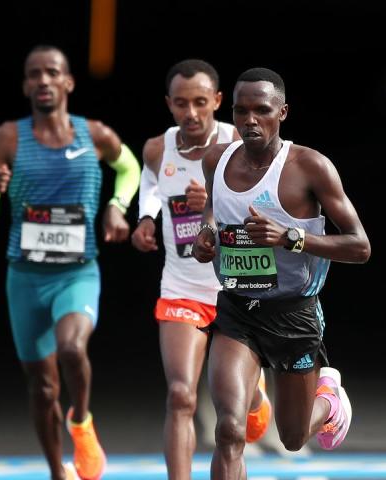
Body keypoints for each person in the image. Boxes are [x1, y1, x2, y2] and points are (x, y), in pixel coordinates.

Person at [0, 45, 141, 480]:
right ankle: (56, 470)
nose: (43, 80)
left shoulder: (96, 135)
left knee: (71, 348)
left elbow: (130, 168)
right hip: (25, 278)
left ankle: (81, 421)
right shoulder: (7, 138)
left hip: (76, 272)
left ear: (68, 82)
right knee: (43, 387)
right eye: (34, 74)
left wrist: (118, 206)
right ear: (26, 85)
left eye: (52, 72)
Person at [193, 68, 371, 479]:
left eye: (262, 110)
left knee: (292, 437)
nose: (250, 120)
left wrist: (290, 238)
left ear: (283, 112)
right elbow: (212, 210)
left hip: (293, 313)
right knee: (229, 430)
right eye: (241, 111)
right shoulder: (216, 160)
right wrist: (206, 234)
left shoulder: (309, 166)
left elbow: (360, 246)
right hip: (237, 311)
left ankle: (330, 402)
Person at [131, 59, 271, 480]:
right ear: (169, 105)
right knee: (180, 396)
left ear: (217, 100)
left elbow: (271, 206)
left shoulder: (239, 141)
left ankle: (256, 400)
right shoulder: (158, 148)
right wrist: (144, 221)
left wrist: (213, 200)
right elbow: (151, 189)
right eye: (180, 104)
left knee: (234, 419)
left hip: (238, 287)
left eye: (199, 102)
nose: (190, 113)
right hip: (182, 287)